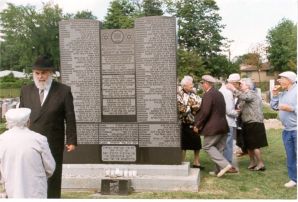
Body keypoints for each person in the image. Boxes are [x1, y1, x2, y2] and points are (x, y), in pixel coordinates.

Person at [19, 55, 77, 198]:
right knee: (32, 177)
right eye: (37, 73)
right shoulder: (26, 91)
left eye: (44, 73)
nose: (40, 77)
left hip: (53, 142)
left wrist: (71, 139)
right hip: (30, 143)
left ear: (51, 73)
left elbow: (70, 117)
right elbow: (22, 117)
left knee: (52, 177)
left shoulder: (63, 91)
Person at [0, 108, 55, 198]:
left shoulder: (1, 140)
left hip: (11, 191)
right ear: (28, 121)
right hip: (36, 191)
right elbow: (50, 168)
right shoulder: (39, 139)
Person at [227, 78, 268, 172]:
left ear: (248, 86)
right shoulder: (244, 95)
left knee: (255, 145)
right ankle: (253, 162)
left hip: (255, 122)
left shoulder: (252, 93)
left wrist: (233, 89)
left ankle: (260, 163)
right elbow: (241, 105)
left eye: (242, 84)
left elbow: (245, 98)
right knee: (248, 145)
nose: (240, 85)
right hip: (247, 122)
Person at [194, 75, 231, 177]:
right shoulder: (219, 93)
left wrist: (198, 125)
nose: (202, 85)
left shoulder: (208, 95)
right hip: (223, 126)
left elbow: (205, 112)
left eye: (202, 83)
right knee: (219, 148)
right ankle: (218, 171)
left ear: (206, 83)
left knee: (207, 146)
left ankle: (225, 165)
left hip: (213, 127)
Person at [270, 71, 297, 188]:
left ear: (289, 80)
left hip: (296, 129)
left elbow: (293, 108)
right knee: (290, 155)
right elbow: (274, 106)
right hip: (286, 130)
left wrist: (290, 108)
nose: (279, 81)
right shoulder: (284, 93)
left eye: (281, 79)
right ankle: (294, 179)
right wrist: (275, 95)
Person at [177, 76, 204, 169]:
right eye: (190, 84)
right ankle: (181, 162)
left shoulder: (193, 93)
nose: (192, 86)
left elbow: (200, 102)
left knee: (197, 143)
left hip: (194, 122)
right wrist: (192, 106)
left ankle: (196, 162)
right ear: (185, 85)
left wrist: (193, 105)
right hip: (184, 122)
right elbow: (181, 108)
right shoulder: (179, 94)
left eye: (192, 84)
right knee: (183, 145)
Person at [219, 73, 241, 173]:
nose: (239, 86)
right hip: (228, 121)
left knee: (224, 144)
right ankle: (227, 165)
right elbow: (228, 110)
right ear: (233, 83)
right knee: (228, 145)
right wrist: (237, 113)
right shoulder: (227, 92)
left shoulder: (223, 90)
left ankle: (223, 164)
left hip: (223, 121)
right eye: (238, 84)